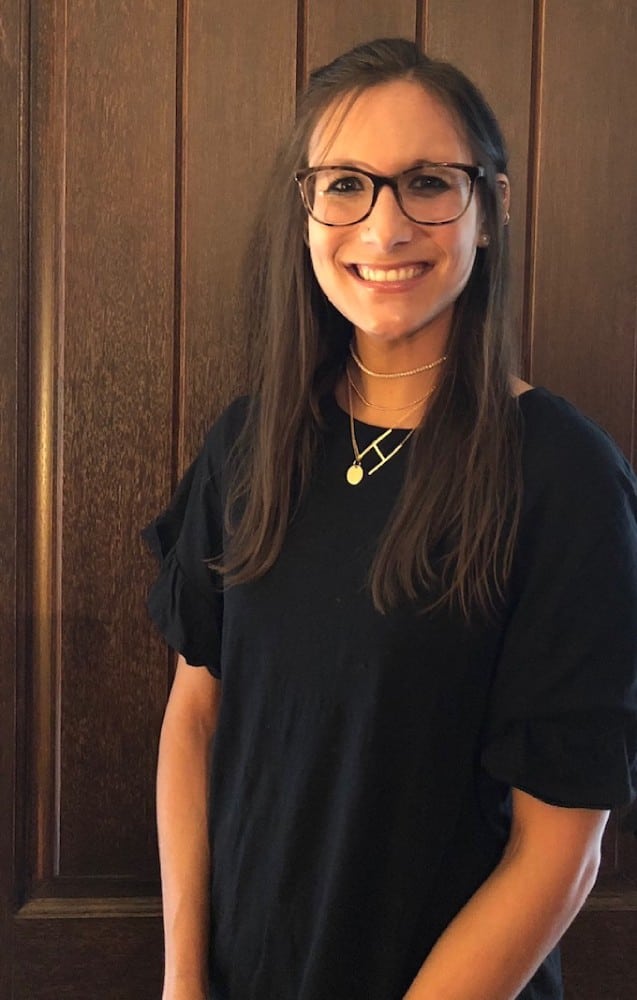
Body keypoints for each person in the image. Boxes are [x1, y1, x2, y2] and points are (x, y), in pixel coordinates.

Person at [143, 37, 637, 1000]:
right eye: (345, 185)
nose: (384, 224)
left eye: (425, 182)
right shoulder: (248, 442)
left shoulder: (564, 478)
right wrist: (183, 980)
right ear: (306, 209)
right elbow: (196, 718)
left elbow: (560, 852)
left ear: (486, 209)